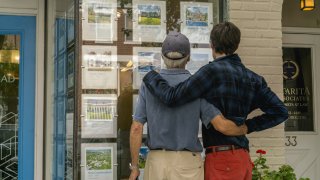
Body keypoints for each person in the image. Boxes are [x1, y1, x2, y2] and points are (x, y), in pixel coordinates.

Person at [142, 22, 289, 180]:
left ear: (212, 44)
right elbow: (280, 111)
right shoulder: (253, 78)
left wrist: (151, 76)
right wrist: (247, 127)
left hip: (221, 159)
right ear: (236, 45)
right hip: (242, 157)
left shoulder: (210, 73)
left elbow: (172, 97)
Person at [129, 31, 248, 180]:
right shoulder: (198, 87)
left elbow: (136, 128)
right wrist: (246, 127)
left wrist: (134, 167)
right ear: (188, 58)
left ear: (163, 56)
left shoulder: (148, 85)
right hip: (188, 163)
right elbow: (221, 125)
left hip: (156, 162)